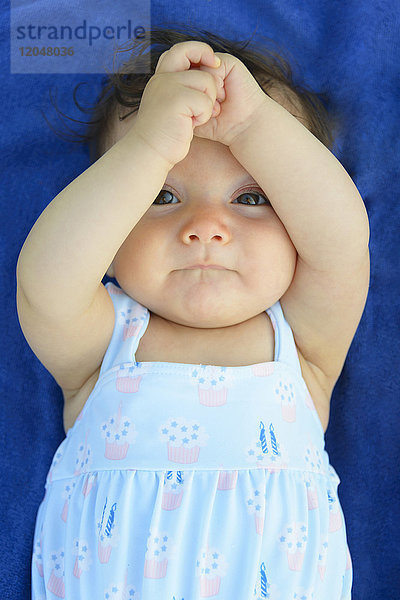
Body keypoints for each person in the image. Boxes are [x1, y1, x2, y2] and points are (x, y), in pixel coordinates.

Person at [17, 25, 369, 600]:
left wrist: (254, 124)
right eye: (162, 194)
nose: (206, 227)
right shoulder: (103, 340)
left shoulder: (302, 344)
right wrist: (148, 147)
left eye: (250, 198)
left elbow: (342, 241)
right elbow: (45, 281)